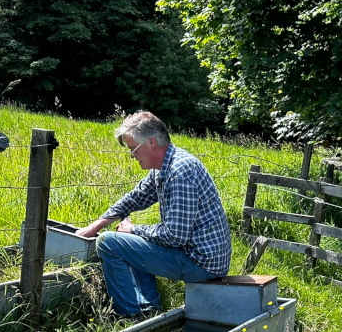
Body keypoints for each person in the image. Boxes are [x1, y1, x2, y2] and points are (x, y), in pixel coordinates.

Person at [75, 111, 231, 317]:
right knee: (128, 239)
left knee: (108, 243)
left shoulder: (180, 171)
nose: (132, 155)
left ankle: (130, 314)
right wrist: (97, 225)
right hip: (198, 255)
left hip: (201, 263)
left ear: (151, 143)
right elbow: (136, 197)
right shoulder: (164, 166)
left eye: (133, 149)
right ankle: (147, 309)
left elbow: (175, 236)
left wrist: (133, 229)